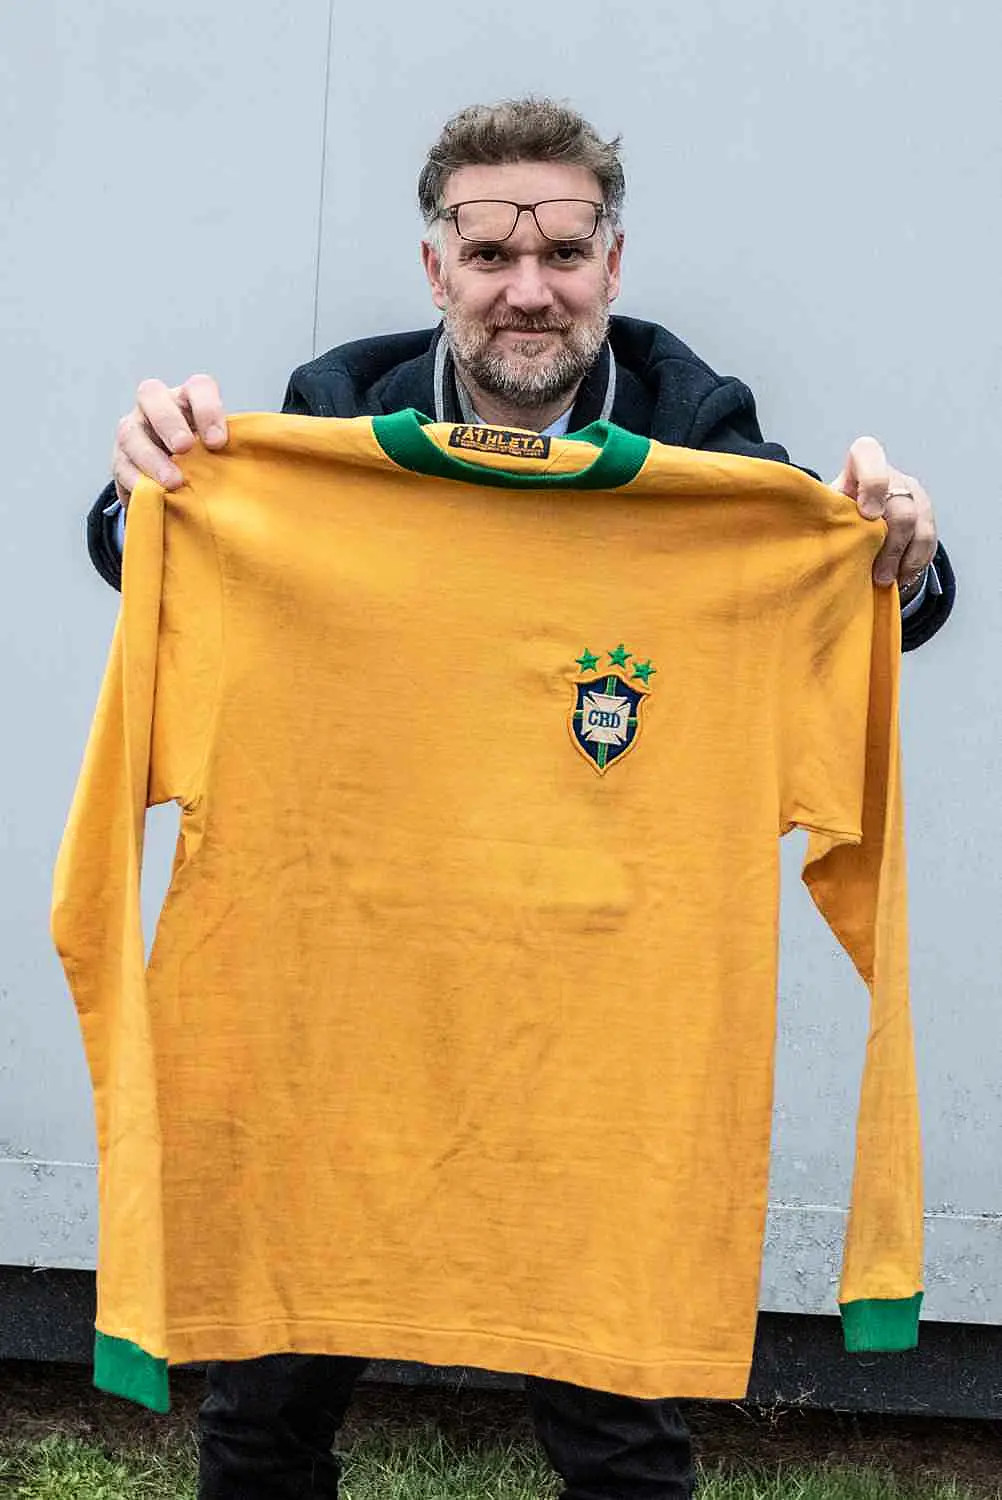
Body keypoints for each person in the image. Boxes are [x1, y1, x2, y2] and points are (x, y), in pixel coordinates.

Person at [82, 99, 955, 1500]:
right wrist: (145, 491)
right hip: (343, 1029)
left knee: (621, 1444)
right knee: (262, 1415)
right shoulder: (327, 421)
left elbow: (853, 622)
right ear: (437, 269)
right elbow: (167, 581)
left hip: (592, 1054)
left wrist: (895, 556)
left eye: (562, 247)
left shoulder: (709, 448)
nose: (527, 287)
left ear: (613, 263)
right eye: (489, 251)